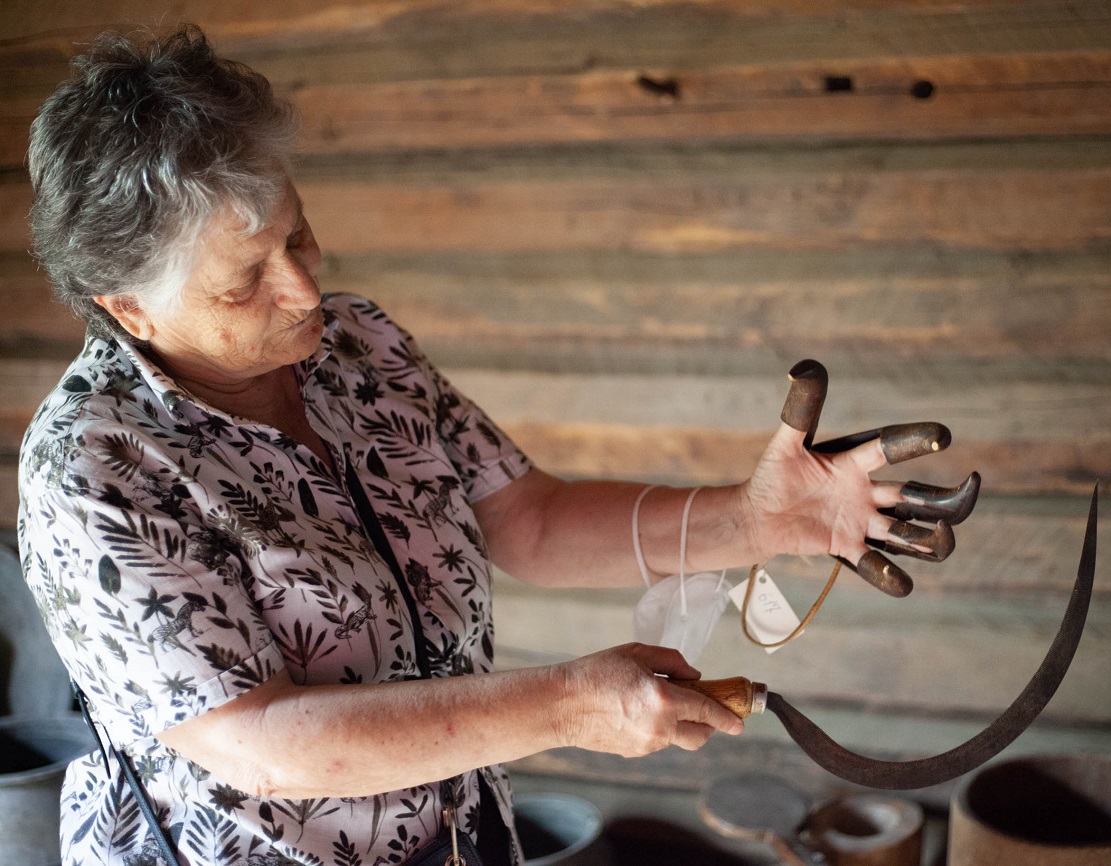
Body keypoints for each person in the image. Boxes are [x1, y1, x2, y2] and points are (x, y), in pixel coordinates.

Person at [19, 25, 937, 866]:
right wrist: (574, 705)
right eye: (243, 281)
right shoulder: (97, 465)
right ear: (127, 306)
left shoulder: (358, 346)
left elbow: (528, 519)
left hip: (462, 836)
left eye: (297, 233)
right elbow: (261, 746)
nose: (303, 290)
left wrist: (752, 520)